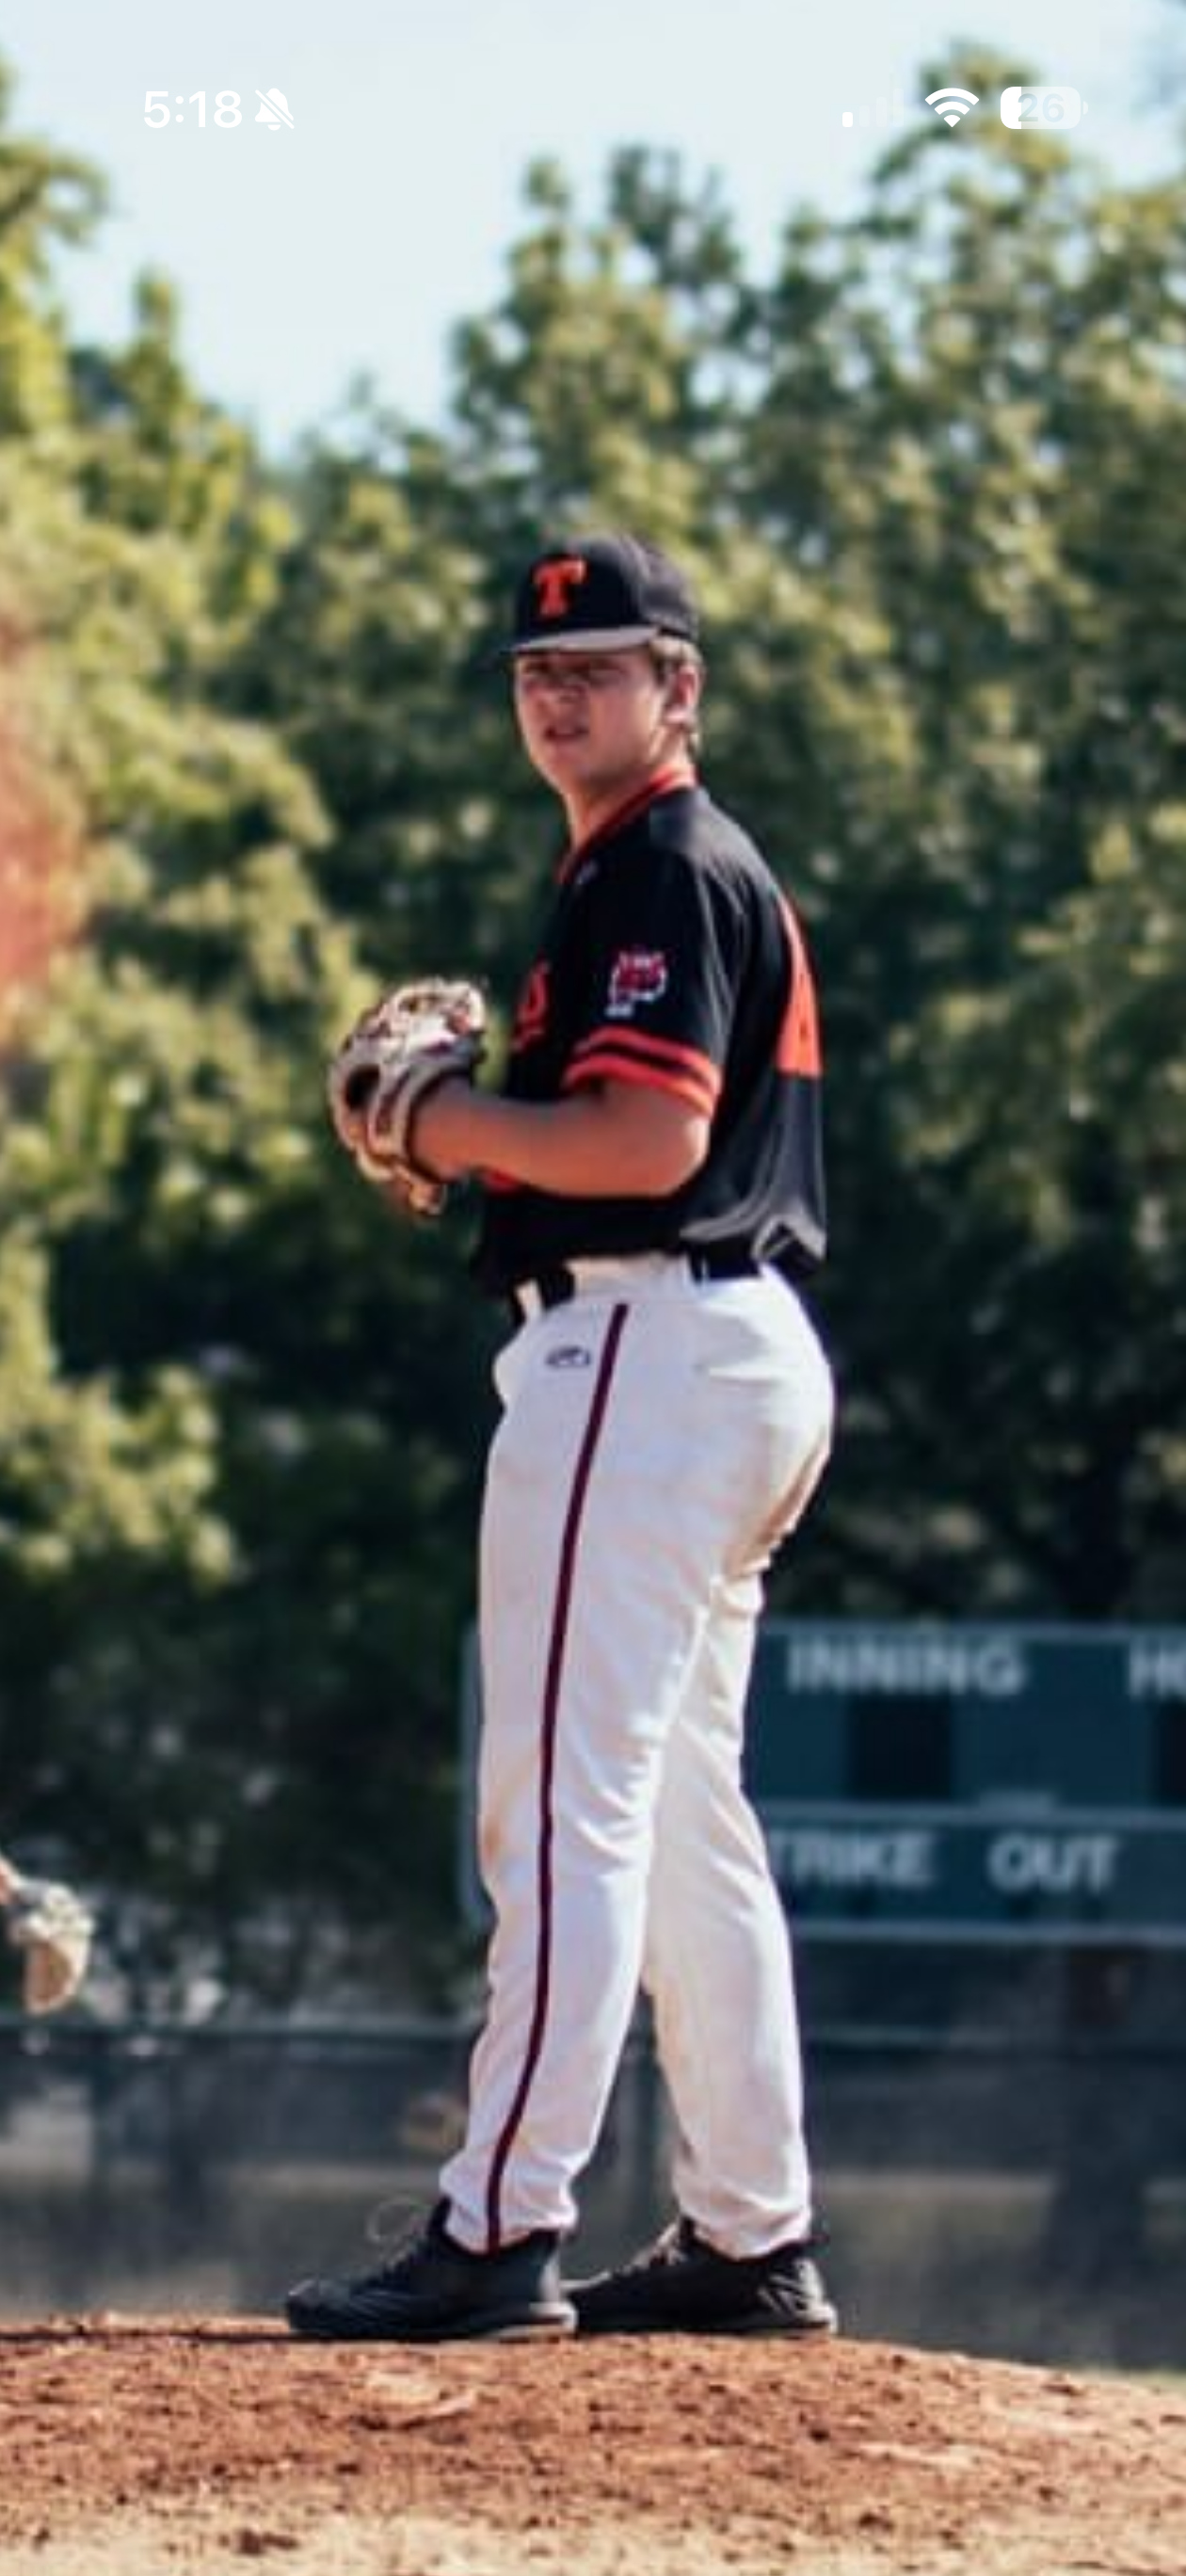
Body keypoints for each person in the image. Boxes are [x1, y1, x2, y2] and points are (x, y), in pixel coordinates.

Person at [286, 533, 838, 2343]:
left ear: (680, 687)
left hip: (643, 1349)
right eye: (537, 672)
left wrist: (446, 1124)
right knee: (679, 1815)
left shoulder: (663, 864)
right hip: (722, 1358)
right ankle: (751, 2235)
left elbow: (644, 1143)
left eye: (599, 665)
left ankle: (499, 2222)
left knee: (559, 1805)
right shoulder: (649, 865)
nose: (559, 694)